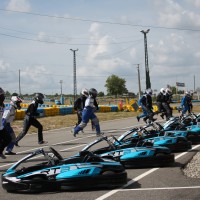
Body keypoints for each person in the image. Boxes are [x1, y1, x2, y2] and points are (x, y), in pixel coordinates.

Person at [0, 87, 11, 159]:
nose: (3, 97)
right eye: (2, 95)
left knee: (8, 139)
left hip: (1, 127)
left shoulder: (2, 105)